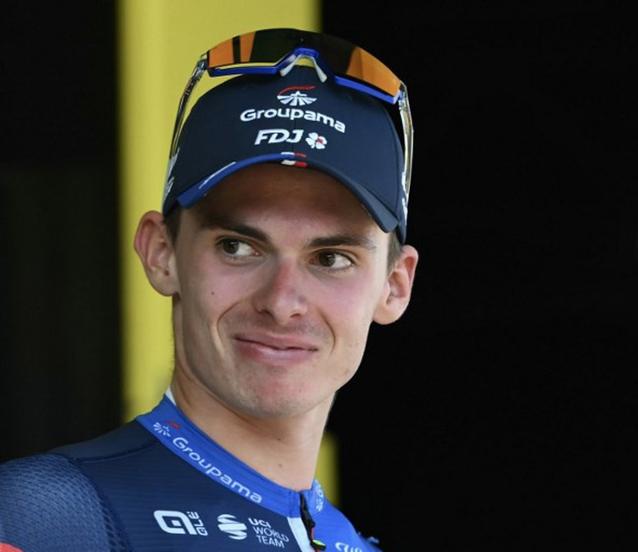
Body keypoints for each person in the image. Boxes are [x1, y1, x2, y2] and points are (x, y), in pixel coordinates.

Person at [0, 27, 418, 551]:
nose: (282, 301)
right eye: (238, 247)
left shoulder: (351, 545)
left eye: (331, 258)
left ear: (395, 285)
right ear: (161, 253)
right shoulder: (46, 516)